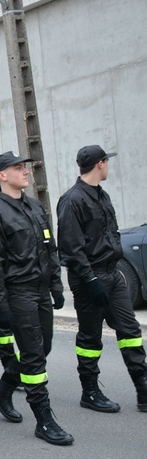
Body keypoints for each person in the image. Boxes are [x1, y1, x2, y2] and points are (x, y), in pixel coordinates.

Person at [0, 151, 73, 446]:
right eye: (18, 168)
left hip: (41, 290)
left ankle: (2, 389)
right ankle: (44, 420)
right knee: (33, 357)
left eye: (25, 167)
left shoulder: (34, 206)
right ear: (1, 175)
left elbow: (50, 247)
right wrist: (0, 306)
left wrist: (56, 285)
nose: (25, 172)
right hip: (17, 293)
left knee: (42, 348)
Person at [57, 145, 147, 413]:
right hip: (89, 279)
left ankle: (143, 388)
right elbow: (71, 247)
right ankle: (90, 392)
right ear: (100, 164)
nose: (108, 166)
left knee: (129, 331)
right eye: (107, 162)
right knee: (90, 338)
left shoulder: (102, 195)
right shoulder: (72, 200)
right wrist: (91, 281)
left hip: (112, 273)